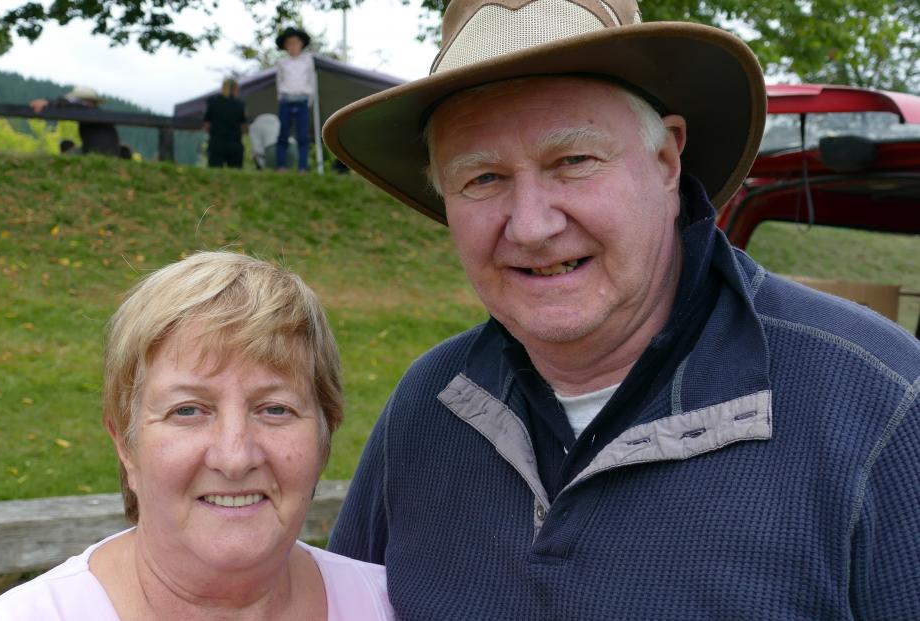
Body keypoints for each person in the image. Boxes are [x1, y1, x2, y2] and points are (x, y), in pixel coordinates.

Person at [321, 0, 920, 618]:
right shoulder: (427, 410)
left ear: (666, 160)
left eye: (573, 161)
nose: (530, 226)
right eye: (482, 178)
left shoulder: (880, 408)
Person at [0, 252, 393, 620]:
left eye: (275, 409)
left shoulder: (396, 607)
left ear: (324, 434)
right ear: (125, 444)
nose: (234, 457)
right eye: (187, 410)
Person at [29, 87, 125, 157]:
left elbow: (70, 105)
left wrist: (48, 103)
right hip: (105, 155)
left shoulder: (88, 112)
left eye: (75, 100)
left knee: (67, 149)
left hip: (96, 156)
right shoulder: (99, 114)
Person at [274, 26, 315, 173]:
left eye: (295, 42)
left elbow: (311, 80)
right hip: (286, 100)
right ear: (285, 46)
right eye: (289, 43)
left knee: (302, 135)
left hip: (302, 100)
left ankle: (303, 167)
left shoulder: (308, 61)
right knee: (283, 133)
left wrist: (309, 99)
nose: (293, 46)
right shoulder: (282, 63)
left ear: (301, 44)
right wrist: (281, 98)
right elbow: (279, 82)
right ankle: (281, 166)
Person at [204, 77, 247, 168]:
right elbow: (243, 126)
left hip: (216, 143)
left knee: (214, 172)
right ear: (235, 89)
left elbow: (207, 124)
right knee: (235, 174)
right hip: (234, 143)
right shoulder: (239, 104)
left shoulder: (213, 102)